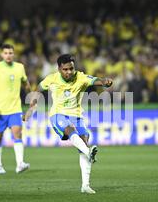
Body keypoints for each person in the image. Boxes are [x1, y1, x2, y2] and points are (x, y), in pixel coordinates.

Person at [25, 54, 113, 194]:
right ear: (59, 69)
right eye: (65, 69)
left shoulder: (80, 77)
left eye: (71, 69)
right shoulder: (52, 79)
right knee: (71, 131)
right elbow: (38, 90)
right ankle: (88, 151)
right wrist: (32, 104)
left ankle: (85, 185)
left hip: (77, 116)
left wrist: (104, 81)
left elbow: (95, 80)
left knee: (84, 141)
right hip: (58, 115)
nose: (69, 72)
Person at [0, 44, 31, 175]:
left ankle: (20, 164)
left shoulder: (20, 67)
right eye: (5, 53)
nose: (8, 55)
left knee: (18, 134)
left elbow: (25, 83)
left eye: (10, 53)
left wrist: (31, 95)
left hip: (15, 108)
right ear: (1, 54)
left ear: (14, 54)